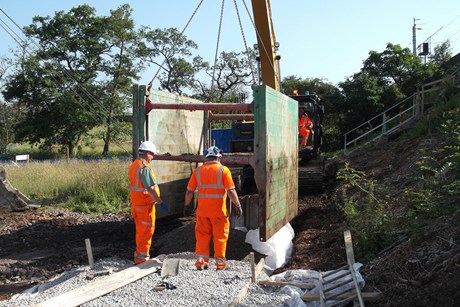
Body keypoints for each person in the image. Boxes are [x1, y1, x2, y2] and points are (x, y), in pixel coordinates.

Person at [184, 145, 243, 270]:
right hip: (218, 212)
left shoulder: (198, 171)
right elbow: (231, 191)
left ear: (206, 158)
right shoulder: (223, 170)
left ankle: (201, 262)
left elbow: (189, 191)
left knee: (202, 236)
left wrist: (187, 205)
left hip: (202, 212)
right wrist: (237, 205)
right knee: (220, 237)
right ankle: (220, 264)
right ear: (219, 157)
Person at [128, 141, 169, 264]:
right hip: (145, 206)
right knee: (146, 232)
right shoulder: (144, 168)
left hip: (137, 205)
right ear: (147, 154)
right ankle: (142, 259)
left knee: (140, 231)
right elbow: (150, 188)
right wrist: (160, 202)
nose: (153, 158)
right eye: (152, 155)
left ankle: (139, 256)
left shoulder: (134, 165)